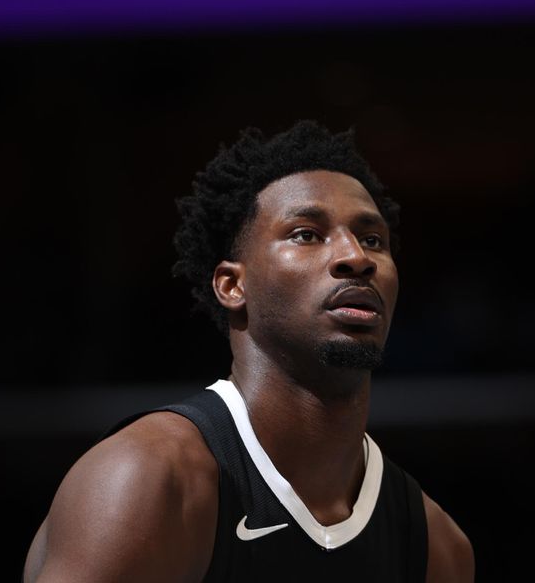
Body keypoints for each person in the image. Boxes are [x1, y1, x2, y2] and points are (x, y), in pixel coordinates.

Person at [23, 120, 474, 582]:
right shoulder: (148, 480)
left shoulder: (436, 546)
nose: (356, 257)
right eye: (306, 234)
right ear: (233, 285)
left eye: (373, 239)